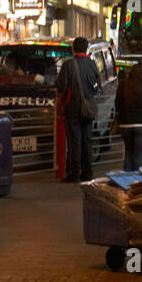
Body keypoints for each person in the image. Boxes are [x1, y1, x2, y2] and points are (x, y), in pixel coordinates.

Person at [55, 37, 100, 182]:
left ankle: (74, 174)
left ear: (73, 49)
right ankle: (87, 173)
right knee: (87, 140)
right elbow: (97, 86)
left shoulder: (68, 65)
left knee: (75, 142)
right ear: (87, 49)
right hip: (88, 108)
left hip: (72, 108)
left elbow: (60, 87)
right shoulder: (93, 64)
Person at [114, 62, 142, 171]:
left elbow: (117, 103)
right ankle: (137, 182)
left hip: (124, 124)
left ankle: (126, 181)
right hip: (140, 124)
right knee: (138, 154)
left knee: (128, 152)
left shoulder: (123, 84)